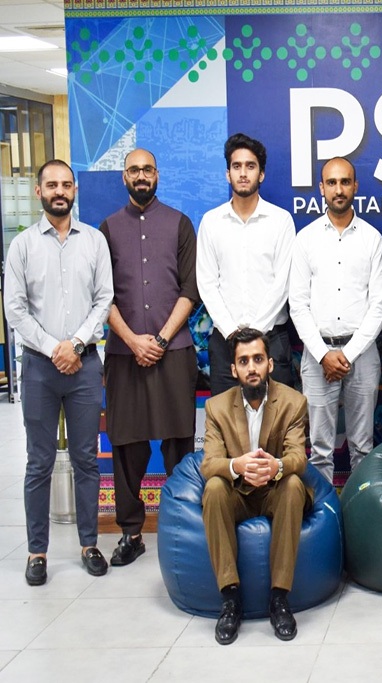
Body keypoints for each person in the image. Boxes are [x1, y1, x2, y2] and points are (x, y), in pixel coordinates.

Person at [3, 160, 113, 586]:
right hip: (39, 368)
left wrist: (77, 344)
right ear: (39, 192)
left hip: (84, 366)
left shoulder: (95, 241)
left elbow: (104, 299)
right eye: (52, 185)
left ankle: (89, 545)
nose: (60, 191)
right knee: (39, 462)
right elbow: (15, 309)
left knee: (86, 459)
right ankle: (37, 552)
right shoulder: (22, 246)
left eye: (66, 184)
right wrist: (55, 348)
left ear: (74, 190)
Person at [99, 148, 200, 567]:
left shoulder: (180, 224)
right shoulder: (107, 229)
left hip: (173, 350)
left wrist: (158, 338)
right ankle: (131, 533)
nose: (141, 176)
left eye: (147, 169)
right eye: (134, 170)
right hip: (124, 354)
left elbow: (191, 289)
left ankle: (183, 525)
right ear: (124, 177)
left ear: (157, 174)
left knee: (179, 442)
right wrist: (133, 341)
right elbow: (101, 295)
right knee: (126, 445)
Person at [200, 327, 312, 645]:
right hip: (238, 493)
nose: (252, 368)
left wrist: (276, 467)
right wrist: (237, 465)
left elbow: (298, 457)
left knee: (293, 485)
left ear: (270, 364)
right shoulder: (216, 407)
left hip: (274, 491)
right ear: (233, 369)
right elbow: (209, 464)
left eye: (258, 359)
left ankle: (279, 598)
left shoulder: (293, 402)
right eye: (244, 361)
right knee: (214, 488)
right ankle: (230, 598)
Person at [290, 157, 382, 482]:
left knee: (363, 447)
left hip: (363, 353)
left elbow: (379, 306)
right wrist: (324, 355)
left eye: (345, 181)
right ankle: (324, 511)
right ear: (321, 188)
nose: (339, 189)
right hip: (317, 354)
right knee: (319, 449)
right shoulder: (306, 239)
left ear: (355, 186)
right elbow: (298, 305)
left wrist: (346, 354)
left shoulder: (372, 238)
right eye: (331, 182)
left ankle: (360, 509)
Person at [197, 133, 296, 396]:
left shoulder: (281, 221)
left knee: (278, 419)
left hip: (271, 339)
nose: (243, 173)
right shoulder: (211, 222)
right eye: (236, 166)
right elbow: (207, 283)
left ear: (261, 174)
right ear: (227, 174)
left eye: (250, 166)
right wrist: (232, 333)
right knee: (227, 419)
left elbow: (283, 283)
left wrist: (255, 334)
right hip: (225, 342)